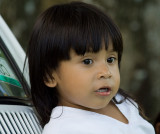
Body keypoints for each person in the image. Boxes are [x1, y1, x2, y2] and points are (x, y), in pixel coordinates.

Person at [26, 1, 155, 134]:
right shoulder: (64, 128)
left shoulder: (123, 104)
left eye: (110, 59)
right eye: (87, 61)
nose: (106, 72)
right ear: (49, 75)